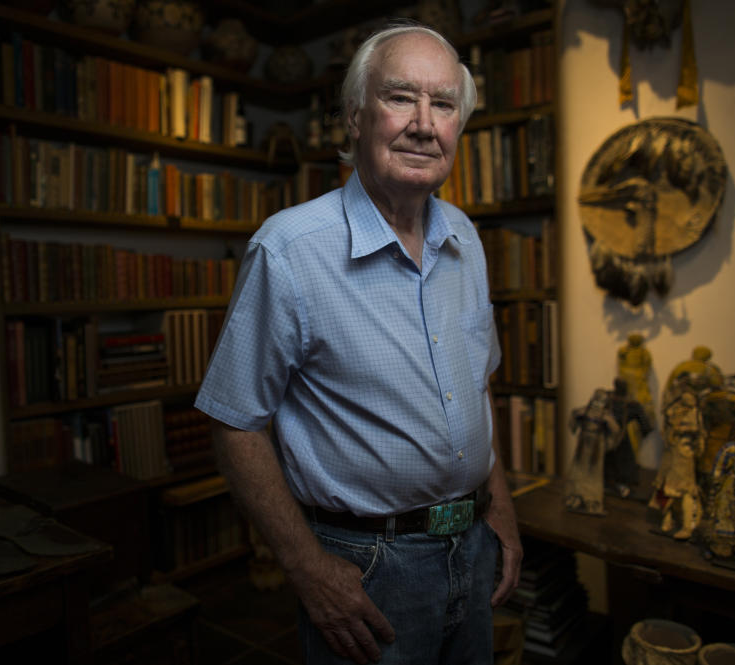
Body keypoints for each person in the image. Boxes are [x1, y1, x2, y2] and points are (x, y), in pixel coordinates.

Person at [195, 22, 522, 665]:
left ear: (460, 125)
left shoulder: (464, 236)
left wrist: (501, 508)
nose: (425, 124)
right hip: (369, 568)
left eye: (445, 104)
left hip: (473, 544)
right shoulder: (290, 251)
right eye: (401, 97)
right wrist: (308, 569)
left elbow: (478, 383)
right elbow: (234, 424)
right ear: (354, 116)